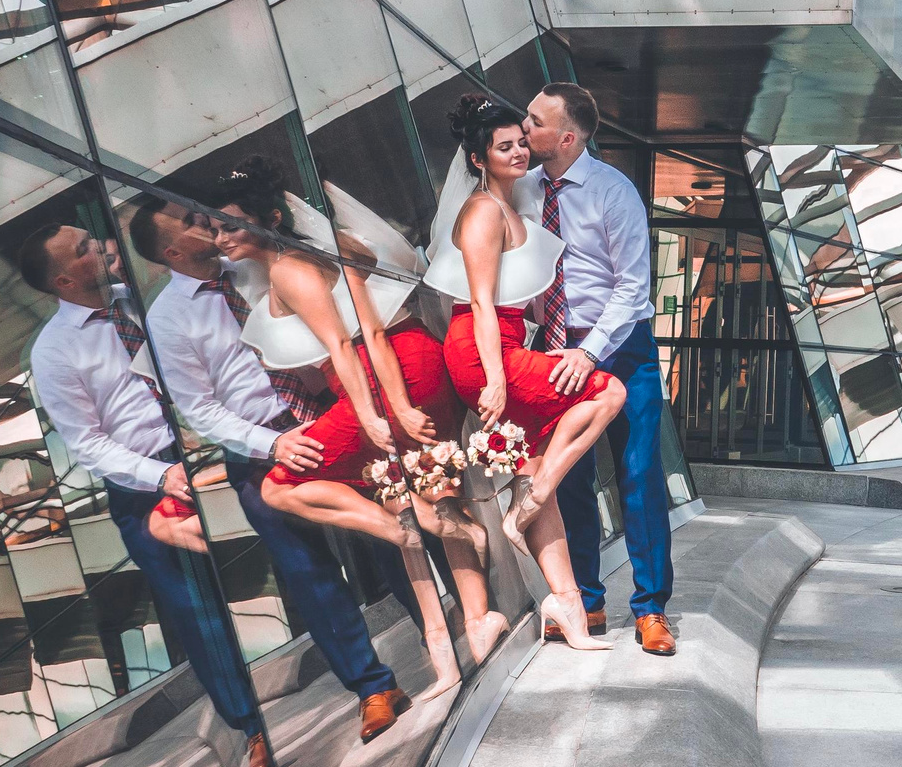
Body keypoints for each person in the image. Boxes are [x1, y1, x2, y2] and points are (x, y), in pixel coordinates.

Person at [131, 194, 421, 734]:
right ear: (170, 251)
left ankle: (437, 630)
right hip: (261, 448)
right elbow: (197, 409)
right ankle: (373, 688)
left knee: (389, 531)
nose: (211, 224)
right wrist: (272, 445)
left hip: (327, 416)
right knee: (309, 574)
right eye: (195, 222)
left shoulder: (256, 265)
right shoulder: (167, 320)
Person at [213, 159, 506, 671]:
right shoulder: (309, 255)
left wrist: (377, 416)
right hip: (404, 362)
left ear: (272, 219)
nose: (220, 238)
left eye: (230, 225)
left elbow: (344, 347)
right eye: (214, 227)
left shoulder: (287, 267)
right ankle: (476, 624)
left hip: (381, 375)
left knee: (280, 487)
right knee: (429, 485)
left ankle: (403, 532)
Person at [18, 219, 273, 767]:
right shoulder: (55, 351)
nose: (102, 249)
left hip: (211, 453)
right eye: (85, 249)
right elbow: (85, 443)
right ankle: (251, 728)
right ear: (63, 279)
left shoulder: (146, 302)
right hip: (147, 486)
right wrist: (158, 479)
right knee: (200, 613)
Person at [425, 94, 627, 651]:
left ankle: (566, 610)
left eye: (521, 141)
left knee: (541, 465)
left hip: (505, 345)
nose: (518, 151)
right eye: (503, 146)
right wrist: (493, 377)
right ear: (477, 158)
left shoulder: (513, 205)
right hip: (482, 350)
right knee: (608, 392)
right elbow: (482, 303)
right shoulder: (484, 212)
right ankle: (529, 500)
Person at [521, 82, 677, 657]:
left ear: (566, 136)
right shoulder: (522, 190)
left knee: (638, 475)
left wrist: (590, 353)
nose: (524, 129)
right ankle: (586, 599)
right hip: (556, 349)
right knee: (572, 480)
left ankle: (652, 608)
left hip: (621, 348)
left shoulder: (614, 192)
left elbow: (634, 284)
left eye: (535, 122)